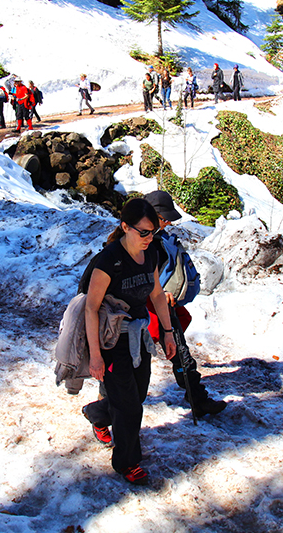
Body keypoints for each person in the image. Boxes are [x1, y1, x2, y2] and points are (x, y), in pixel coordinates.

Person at [80, 198, 177, 486]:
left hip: (139, 336)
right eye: (143, 232)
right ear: (125, 227)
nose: (149, 238)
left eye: (153, 232)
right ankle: (127, 462)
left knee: (137, 395)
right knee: (129, 408)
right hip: (112, 340)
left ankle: (97, 414)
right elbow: (90, 307)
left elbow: (157, 295)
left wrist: (169, 333)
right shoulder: (110, 260)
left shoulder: (151, 254)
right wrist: (95, 356)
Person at [143, 190, 227, 417]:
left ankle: (196, 398)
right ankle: (103, 408)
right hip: (142, 311)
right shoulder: (139, 241)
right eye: (164, 218)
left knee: (181, 352)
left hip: (162, 306)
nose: (168, 222)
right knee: (130, 362)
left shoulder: (158, 239)